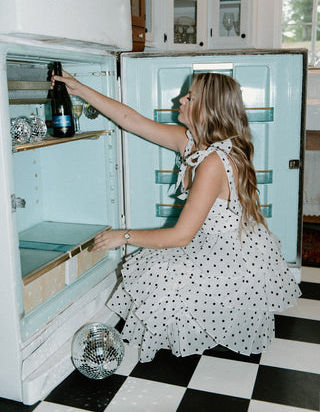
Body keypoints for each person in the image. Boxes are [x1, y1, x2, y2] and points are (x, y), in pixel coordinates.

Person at [53, 70, 301, 362]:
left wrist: (124, 236)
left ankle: (217, 330)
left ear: (207, 108)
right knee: (160, 268)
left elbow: (181, 236)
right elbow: (131, 121)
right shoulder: (193, 142)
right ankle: (209, 325)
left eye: (190, 96)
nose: (180, 99)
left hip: (228, 252)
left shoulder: (212, 163)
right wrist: (79, 89)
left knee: (159, 269)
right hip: (212, 240)